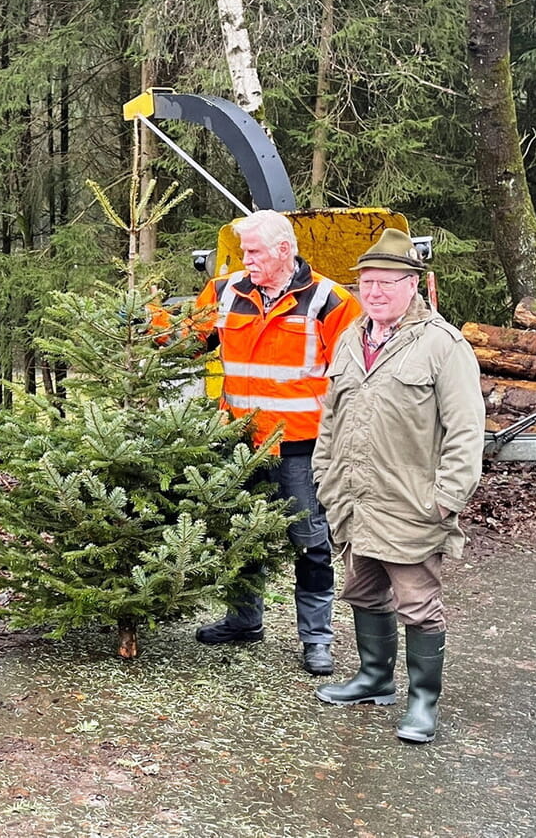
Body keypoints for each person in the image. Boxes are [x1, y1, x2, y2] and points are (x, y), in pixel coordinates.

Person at [312, 228, 485, 743]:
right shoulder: (349, 339)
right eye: (367, 282)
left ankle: (422, 703)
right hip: (354, 500)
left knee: (417, 604)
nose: (375, 291)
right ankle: (373, 678)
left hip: (412, 504)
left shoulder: (442, 345)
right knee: (363, 591)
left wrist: (446, 500)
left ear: (413, 284)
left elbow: (466, 430)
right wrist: (325, 477)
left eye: (387, 282)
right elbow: (330, 418)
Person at [192, 209, 362, 676]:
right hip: (240, 442)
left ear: (284, 250)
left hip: (300, 447)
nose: (244, 260)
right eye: (244, 251)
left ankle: (317, 639)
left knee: (311, 543)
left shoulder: (330, 301)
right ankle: (243, 621)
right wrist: (136, 321)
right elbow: (185, 338)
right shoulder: (226, 292)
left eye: (254, 252)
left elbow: (355, 375)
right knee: (241, 534)